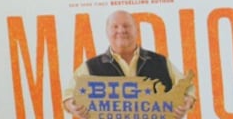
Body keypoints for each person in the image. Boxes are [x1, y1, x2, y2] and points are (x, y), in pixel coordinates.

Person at [63, 10, 196, 119]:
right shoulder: (90, 67)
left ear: (136, 30)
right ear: (107, 32)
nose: (121, 30)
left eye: (126, 26)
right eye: (115, 27)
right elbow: (68, 95)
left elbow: (187, 86)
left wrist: (187, 101)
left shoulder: (161, 62)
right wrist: (72, 105)